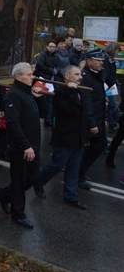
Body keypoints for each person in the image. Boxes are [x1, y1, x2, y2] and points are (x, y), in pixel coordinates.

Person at [0, 63, 43, 229]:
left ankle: (4, 194)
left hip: (33, 145)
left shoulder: (26, 92)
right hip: (22, 147)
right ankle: (18, 213)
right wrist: (25, 146)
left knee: (34, 177)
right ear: (19, 77)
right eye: (29, 75)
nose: (32, 77)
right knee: (19, 180)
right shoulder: (14, 94)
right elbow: (13, 123)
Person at [37, 65, 90, 209]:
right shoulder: (60, 91)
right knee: (57, 165)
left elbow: (84, 112)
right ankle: (38, 183)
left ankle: (70, 196)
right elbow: (66, 111)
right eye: (77, 74)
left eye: (80, 74)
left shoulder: (80, 90)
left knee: (74, 169)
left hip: (78, 137)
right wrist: (72, 92)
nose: (80, 77)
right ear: (67, 76)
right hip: (64, 137)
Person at [77, 49, 108, 190]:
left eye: (102, 60)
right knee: (84, 147)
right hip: (90, 120)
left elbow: (100, 99)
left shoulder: (97, 74)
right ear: (89, 61)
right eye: (98, 60)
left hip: (99, 118)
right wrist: (92, 123)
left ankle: (80, 171)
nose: (101, 62)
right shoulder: (85, 77)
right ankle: (78, 174)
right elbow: (87, 103)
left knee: (100, 145)